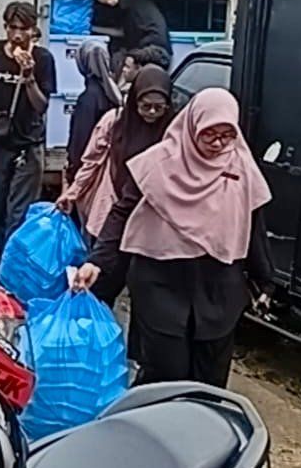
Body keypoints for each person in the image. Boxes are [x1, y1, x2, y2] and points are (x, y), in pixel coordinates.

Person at [73, 88, 275, 387]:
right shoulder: (158, 163)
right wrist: (97, 261)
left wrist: (265, 281)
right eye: (209, 134)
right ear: (193, 126)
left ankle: (202, 430)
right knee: (166, 373)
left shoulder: (240, 167)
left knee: (210, 379)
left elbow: (253, 225)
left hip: (218, 286)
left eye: (227, 134)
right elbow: (122, 213)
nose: (218, 143)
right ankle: (152, 428)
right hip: (161, 280)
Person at [57, 65, 174, 304]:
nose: (151, 113)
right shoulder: (115, 123)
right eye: (145, 106)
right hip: (112, 212)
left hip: (150, 222)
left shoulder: (173, 132)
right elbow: (90, 161)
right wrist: (72, 192)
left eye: (158, 108)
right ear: (134, 102)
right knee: (101, 285)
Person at [0, 1, 57, 252]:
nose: (17, 35)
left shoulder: (43, 59)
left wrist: (28, 77)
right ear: (5, 28)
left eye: (24, 29)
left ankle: (10, 267)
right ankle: (0, 255)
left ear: (33, 30)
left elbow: (42, 106)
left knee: (17, 213)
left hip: (28, 145)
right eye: (12, 28)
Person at [64, 39, 122, 185]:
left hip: (88, 173)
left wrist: (72, 172)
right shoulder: (112, 93)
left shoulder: (88, 99)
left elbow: (80, 142)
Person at [94, 0, 172, 69]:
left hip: (156, 51)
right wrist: (92, 29)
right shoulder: (136, 11)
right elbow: (120, 32)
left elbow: (111, 0)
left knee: (125, 60)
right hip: (157, 51)